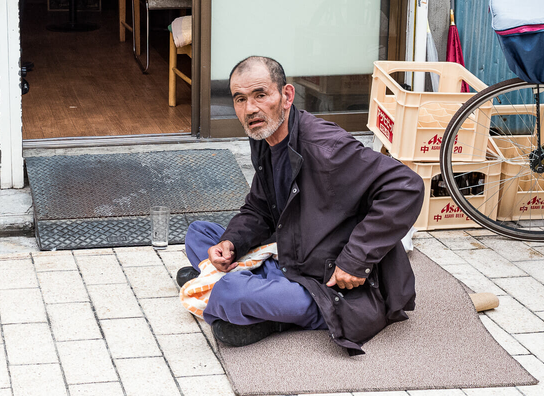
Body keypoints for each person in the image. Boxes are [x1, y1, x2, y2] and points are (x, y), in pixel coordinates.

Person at [178, 56, 423, 352]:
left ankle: (259, 305)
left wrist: (356, 260)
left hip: (327, 280)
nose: (250, 109)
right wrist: (231, 242)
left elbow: (407, 185)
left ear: (286, 96)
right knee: (199, 233)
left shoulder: (327, 147)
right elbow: (259, 208)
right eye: (240, 99)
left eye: (260, 95)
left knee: (231, 292)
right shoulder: (265, 137)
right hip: (290, 251)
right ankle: (242, 291)